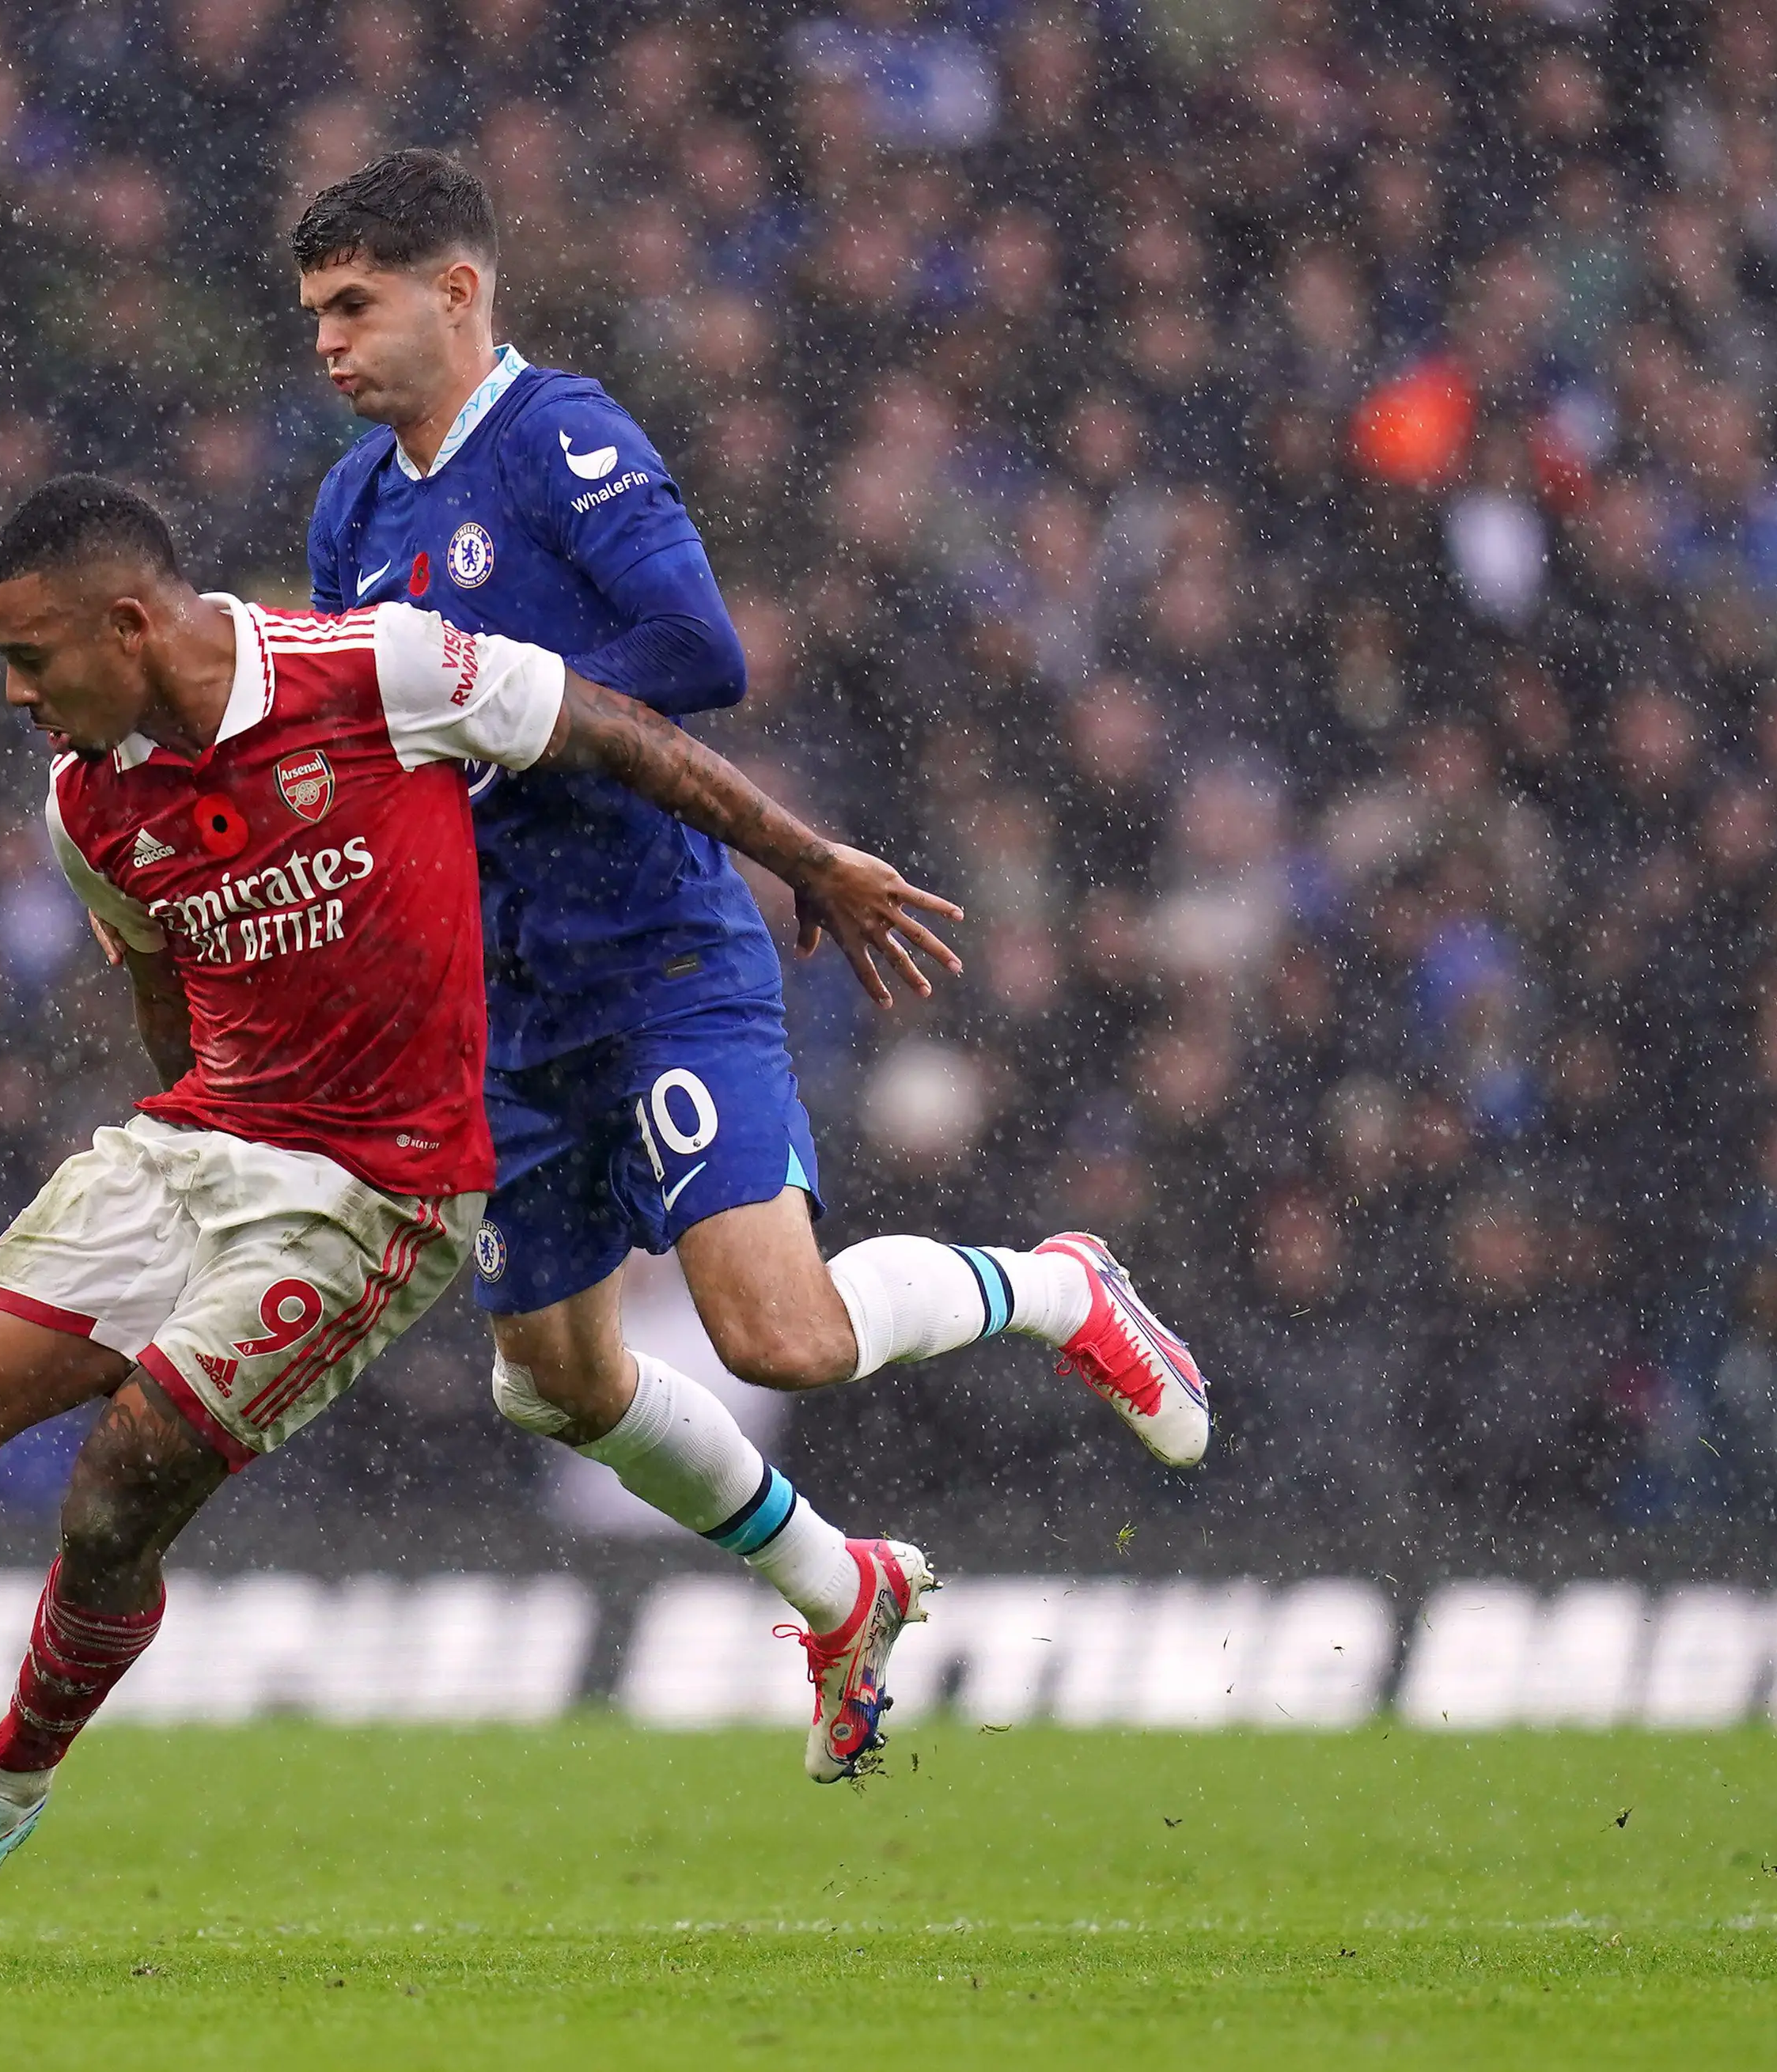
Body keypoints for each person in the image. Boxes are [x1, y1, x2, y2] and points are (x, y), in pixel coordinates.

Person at [0, 475, 947, 1927]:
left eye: (32, 657)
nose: (14, 693)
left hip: (379, 1187)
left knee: (121, 1490)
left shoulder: (378, 667)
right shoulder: (84, 798)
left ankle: (1, 1787)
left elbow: (615, 727)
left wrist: (801, 857)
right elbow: (158, 997)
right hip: (200, 1143)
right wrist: (193, 1164)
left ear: (128, 624)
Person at [293, 150, 1212, 1778]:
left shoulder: (564, 440)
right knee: (552, 1386)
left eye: (356, 305)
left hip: (652, 951)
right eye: (313, 315)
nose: (330, 344)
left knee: (776, 1334)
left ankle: (1060, 1283)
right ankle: (837, 1585)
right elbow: (381, 750)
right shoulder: (351, 508)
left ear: (459, 291)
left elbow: (698, 652)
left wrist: (506, 699)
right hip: (504, 1006)